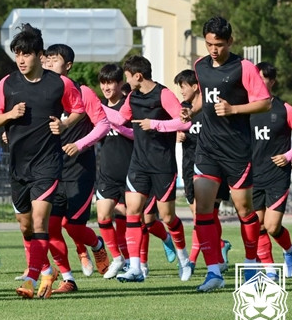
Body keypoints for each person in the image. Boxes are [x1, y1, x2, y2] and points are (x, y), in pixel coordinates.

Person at [0, 24, 85, 298]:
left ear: (39, 55)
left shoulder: (59, 84)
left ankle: (31, 278)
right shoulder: (7, 84)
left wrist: (64, 125)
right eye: (17, 54)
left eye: (26, 54)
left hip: (48, 163)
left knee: (41, 222)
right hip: (18, 165)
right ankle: (46, 270)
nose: (20, 60)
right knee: (26, 225)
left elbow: (79, 109)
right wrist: (9, 116)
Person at [182, 16, 270, 292]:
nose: (213, 49)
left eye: (219, 44)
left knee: (245, 209)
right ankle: (213, 271)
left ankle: (252, 263)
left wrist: (233, 109)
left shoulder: (244, 67)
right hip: (207, 148)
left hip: (237, 150)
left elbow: (265, 102)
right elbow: (203, 95)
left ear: (230, 41)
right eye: (209, 44)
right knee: (203, 209)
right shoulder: (199, 65)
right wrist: (191, 110)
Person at [37, 44, 111, 295]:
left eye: (53, 60)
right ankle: (68, 279)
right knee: (50, 228)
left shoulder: (83, 92)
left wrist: (79, 145)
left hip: (79, 168)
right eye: (45, 60)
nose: (47, 64)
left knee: (73, 226)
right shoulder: (41, 94)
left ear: (67, 65)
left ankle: (97, 244)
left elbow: (103, 124)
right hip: (50, 168)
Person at [115, 55, 192, 283]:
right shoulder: (132, 97)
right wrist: (95, 110)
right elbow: (120, 119)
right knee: (133, 211)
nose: (125, 81)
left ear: (137, 76)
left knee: (167, 216)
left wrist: (156, 124)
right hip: (138, 164)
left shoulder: (164, 94)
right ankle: (136, 267)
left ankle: (183, 258)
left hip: (163, 165)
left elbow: (184, 122)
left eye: (127, 76)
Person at [249, 62, 292, 279]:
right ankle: (270, 269)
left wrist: (288, 156)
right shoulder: (245, 109)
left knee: (272, 227)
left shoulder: (284, 108)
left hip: (276, 175)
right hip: (253, 175)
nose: (257, 83)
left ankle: (289, 250)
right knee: (258, 226)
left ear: (271, 82)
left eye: (262, 78)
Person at [173, 69, 232, 275]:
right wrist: (178, 135)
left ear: (195, 86)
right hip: (189, 167)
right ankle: (220, 247)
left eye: (183, 86)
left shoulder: (210, 108)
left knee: (203, 216)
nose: (180, 91)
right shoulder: (182, 109)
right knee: (205, 217)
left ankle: (193, 260)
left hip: (211, 166)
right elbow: (172, 126)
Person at [95, 63, 135, 279]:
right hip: (107, 171)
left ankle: (138, 262)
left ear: (121, 83)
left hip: (131, 170)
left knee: (137, 220)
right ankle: (118, 258)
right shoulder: (99, 108)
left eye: (111, 82)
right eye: (103, 83)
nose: (107, 87)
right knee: (103, 215)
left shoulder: (128, 106)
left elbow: (137, 134)